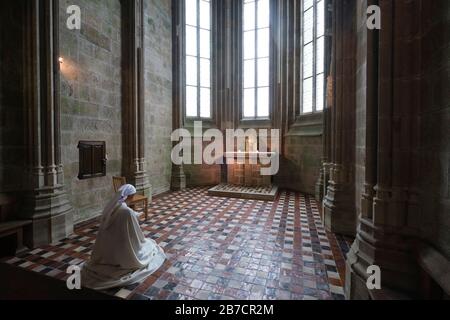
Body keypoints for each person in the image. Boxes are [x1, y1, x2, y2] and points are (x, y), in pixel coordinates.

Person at [81, 184, 166, 290]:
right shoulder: (127, 212)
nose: (133, 197)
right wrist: (135, 216)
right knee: (149, 245)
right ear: (130, 196)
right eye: (133, 195)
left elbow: (122, 216)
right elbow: (135, 233)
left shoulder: (113, 207)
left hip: (108, 250)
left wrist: (133, 215)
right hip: (123, 249)